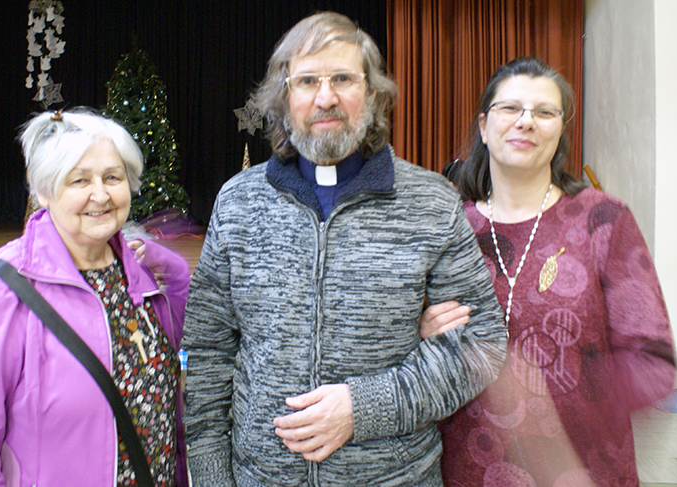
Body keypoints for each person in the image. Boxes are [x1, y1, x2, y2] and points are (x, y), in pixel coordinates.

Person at [181, 11, 508, 486]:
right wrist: (211, 477)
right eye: (307, 81)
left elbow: (481, 343)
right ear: (284, 96)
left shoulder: (431, 203)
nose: (325, 97)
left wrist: (363, 407)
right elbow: (209, 352)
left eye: (342, 78)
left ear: (372, 94)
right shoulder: (238, 202)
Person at [421, 57, 677, 486]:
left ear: (561, 132)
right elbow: (402, 354)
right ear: (484, 127)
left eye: (544, 112)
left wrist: (562, 403)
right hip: (469, 467)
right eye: (510, 109)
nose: (526, 122)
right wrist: (425, 336)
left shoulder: (603, 220)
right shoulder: (449, 228)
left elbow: (653, 360)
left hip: (581, 468)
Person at [0, 108, 191, 487]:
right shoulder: (2, 289)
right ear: (44, 190)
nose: (100, 194)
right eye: (79, 180)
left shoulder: (143, 277)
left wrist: (177, 274)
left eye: (112, 177)